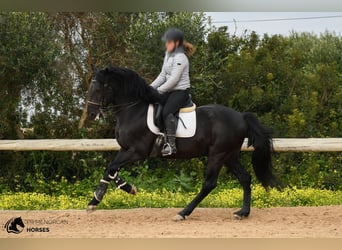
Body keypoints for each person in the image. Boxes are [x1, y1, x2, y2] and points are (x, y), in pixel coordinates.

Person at [151, 28, 196, 156]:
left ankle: (171, 145)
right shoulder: (168, 54)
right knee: (155, 105)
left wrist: (159, 90)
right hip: (169, 90)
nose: (166, 44)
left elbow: (174, 80)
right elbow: (162, 75)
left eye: (168, 42)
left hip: (180, 92)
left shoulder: (181, 57)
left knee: (167, 111)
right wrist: (149, 88)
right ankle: (159, 138)